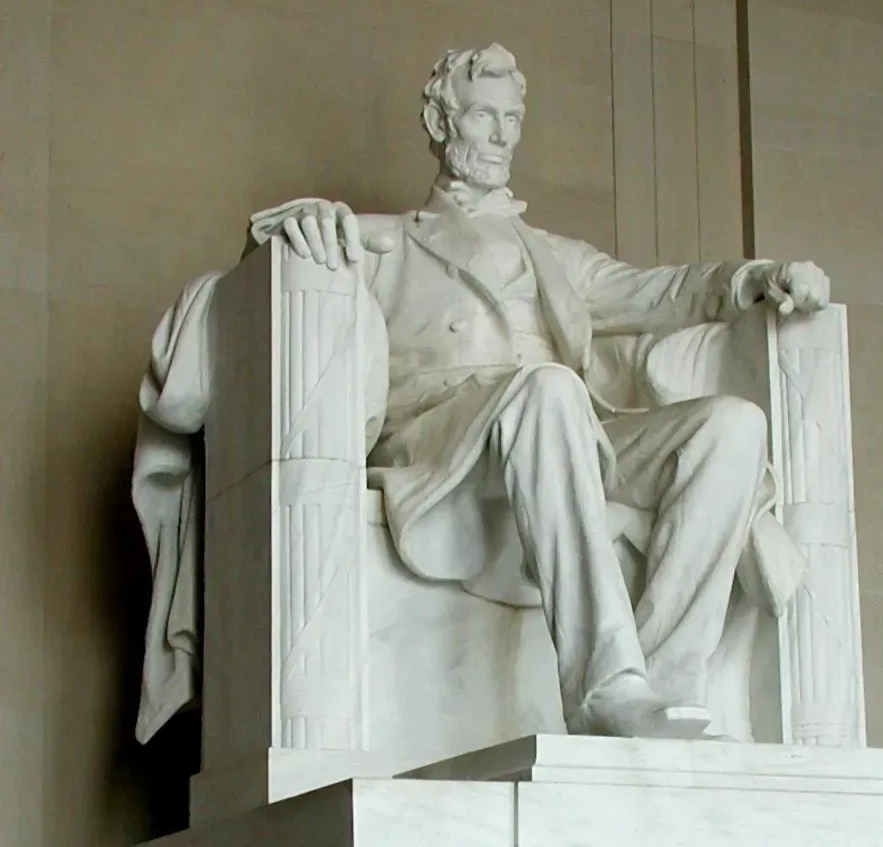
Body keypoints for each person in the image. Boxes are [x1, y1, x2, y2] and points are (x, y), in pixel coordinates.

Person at [247, 43, 830, 739]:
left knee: (731, 425)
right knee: (550, 388)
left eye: (513, 118)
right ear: (440, 122)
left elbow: (661, 292)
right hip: (445, 436)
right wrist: (308, 222)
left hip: (563, 428)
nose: (501, 135)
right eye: (483, 116)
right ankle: (604, 686)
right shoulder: (387, 242)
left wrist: (756, 279)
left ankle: (667, 681)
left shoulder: (557, 255)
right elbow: (268, 255)